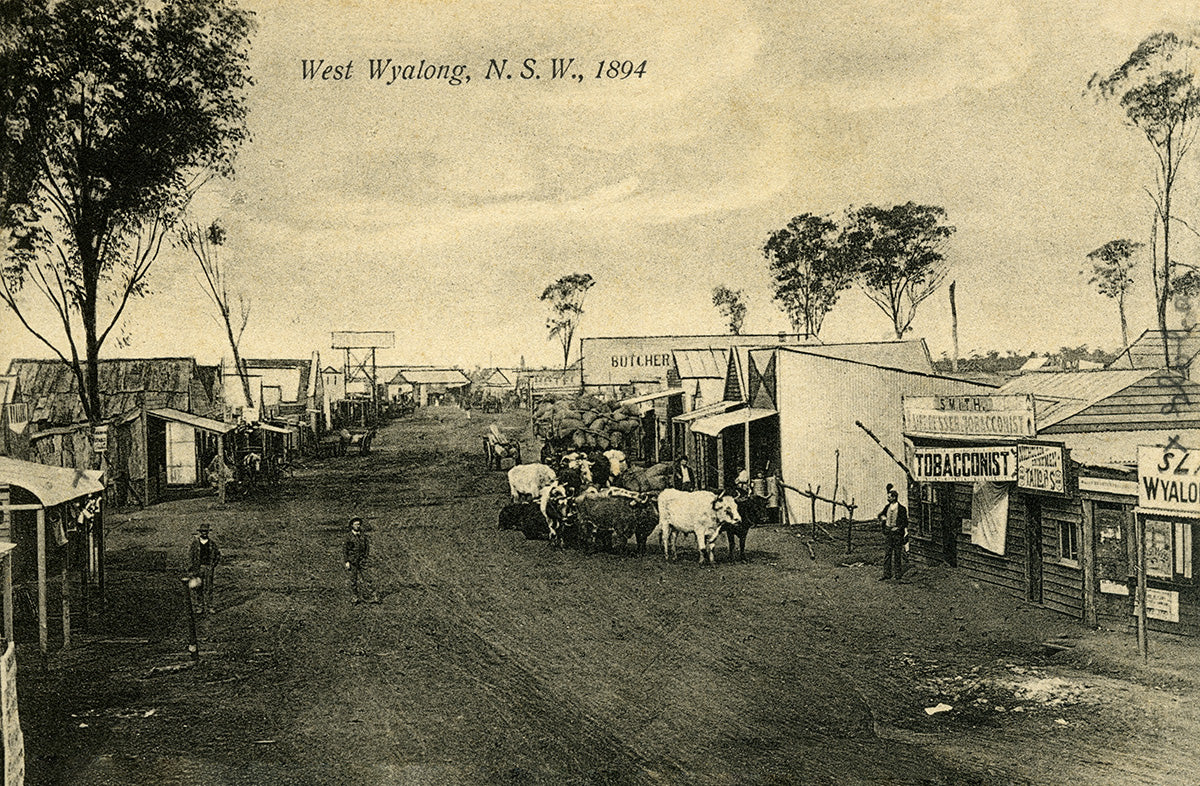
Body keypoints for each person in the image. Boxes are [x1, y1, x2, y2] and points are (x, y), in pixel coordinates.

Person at [343, 517, 380, 604]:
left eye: (359, 524)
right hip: (353, 561)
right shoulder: (348, 537)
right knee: (353, 580)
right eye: (356, 524)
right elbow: (345, 550)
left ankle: (373, 597)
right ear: (352, 525)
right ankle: (355, 597)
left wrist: (365, 557)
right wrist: (347, 561)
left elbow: (367, 547)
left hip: (362, 561)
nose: (358, 526)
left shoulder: (363, 536)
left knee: (368, 579)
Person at [188, 525, 222, 613]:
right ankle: (200, 607)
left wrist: (213, 565)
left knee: (209, 588)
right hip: (198, 568)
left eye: (206, 531)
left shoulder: (212, 544)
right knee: (199, 587)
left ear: (208, 532)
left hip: (208, 568)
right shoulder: (195, 544)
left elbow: (218, 555)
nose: (204, 533)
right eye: (202, 531)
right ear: (200, 532)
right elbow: (191, 556)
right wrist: (192, 568)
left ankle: (209, 606)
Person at [878, 486, 908, 581]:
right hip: (889, 534)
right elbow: (881, 515)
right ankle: (887, 574)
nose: (888, 498)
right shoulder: (887, 507)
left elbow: (904, 522)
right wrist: (883, 519)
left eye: (890, 497)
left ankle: (897, 574)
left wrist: (898, 528)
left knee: (897, 554)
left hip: (897, 535)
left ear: (894, 497)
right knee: (887, 554)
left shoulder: (902, 509)